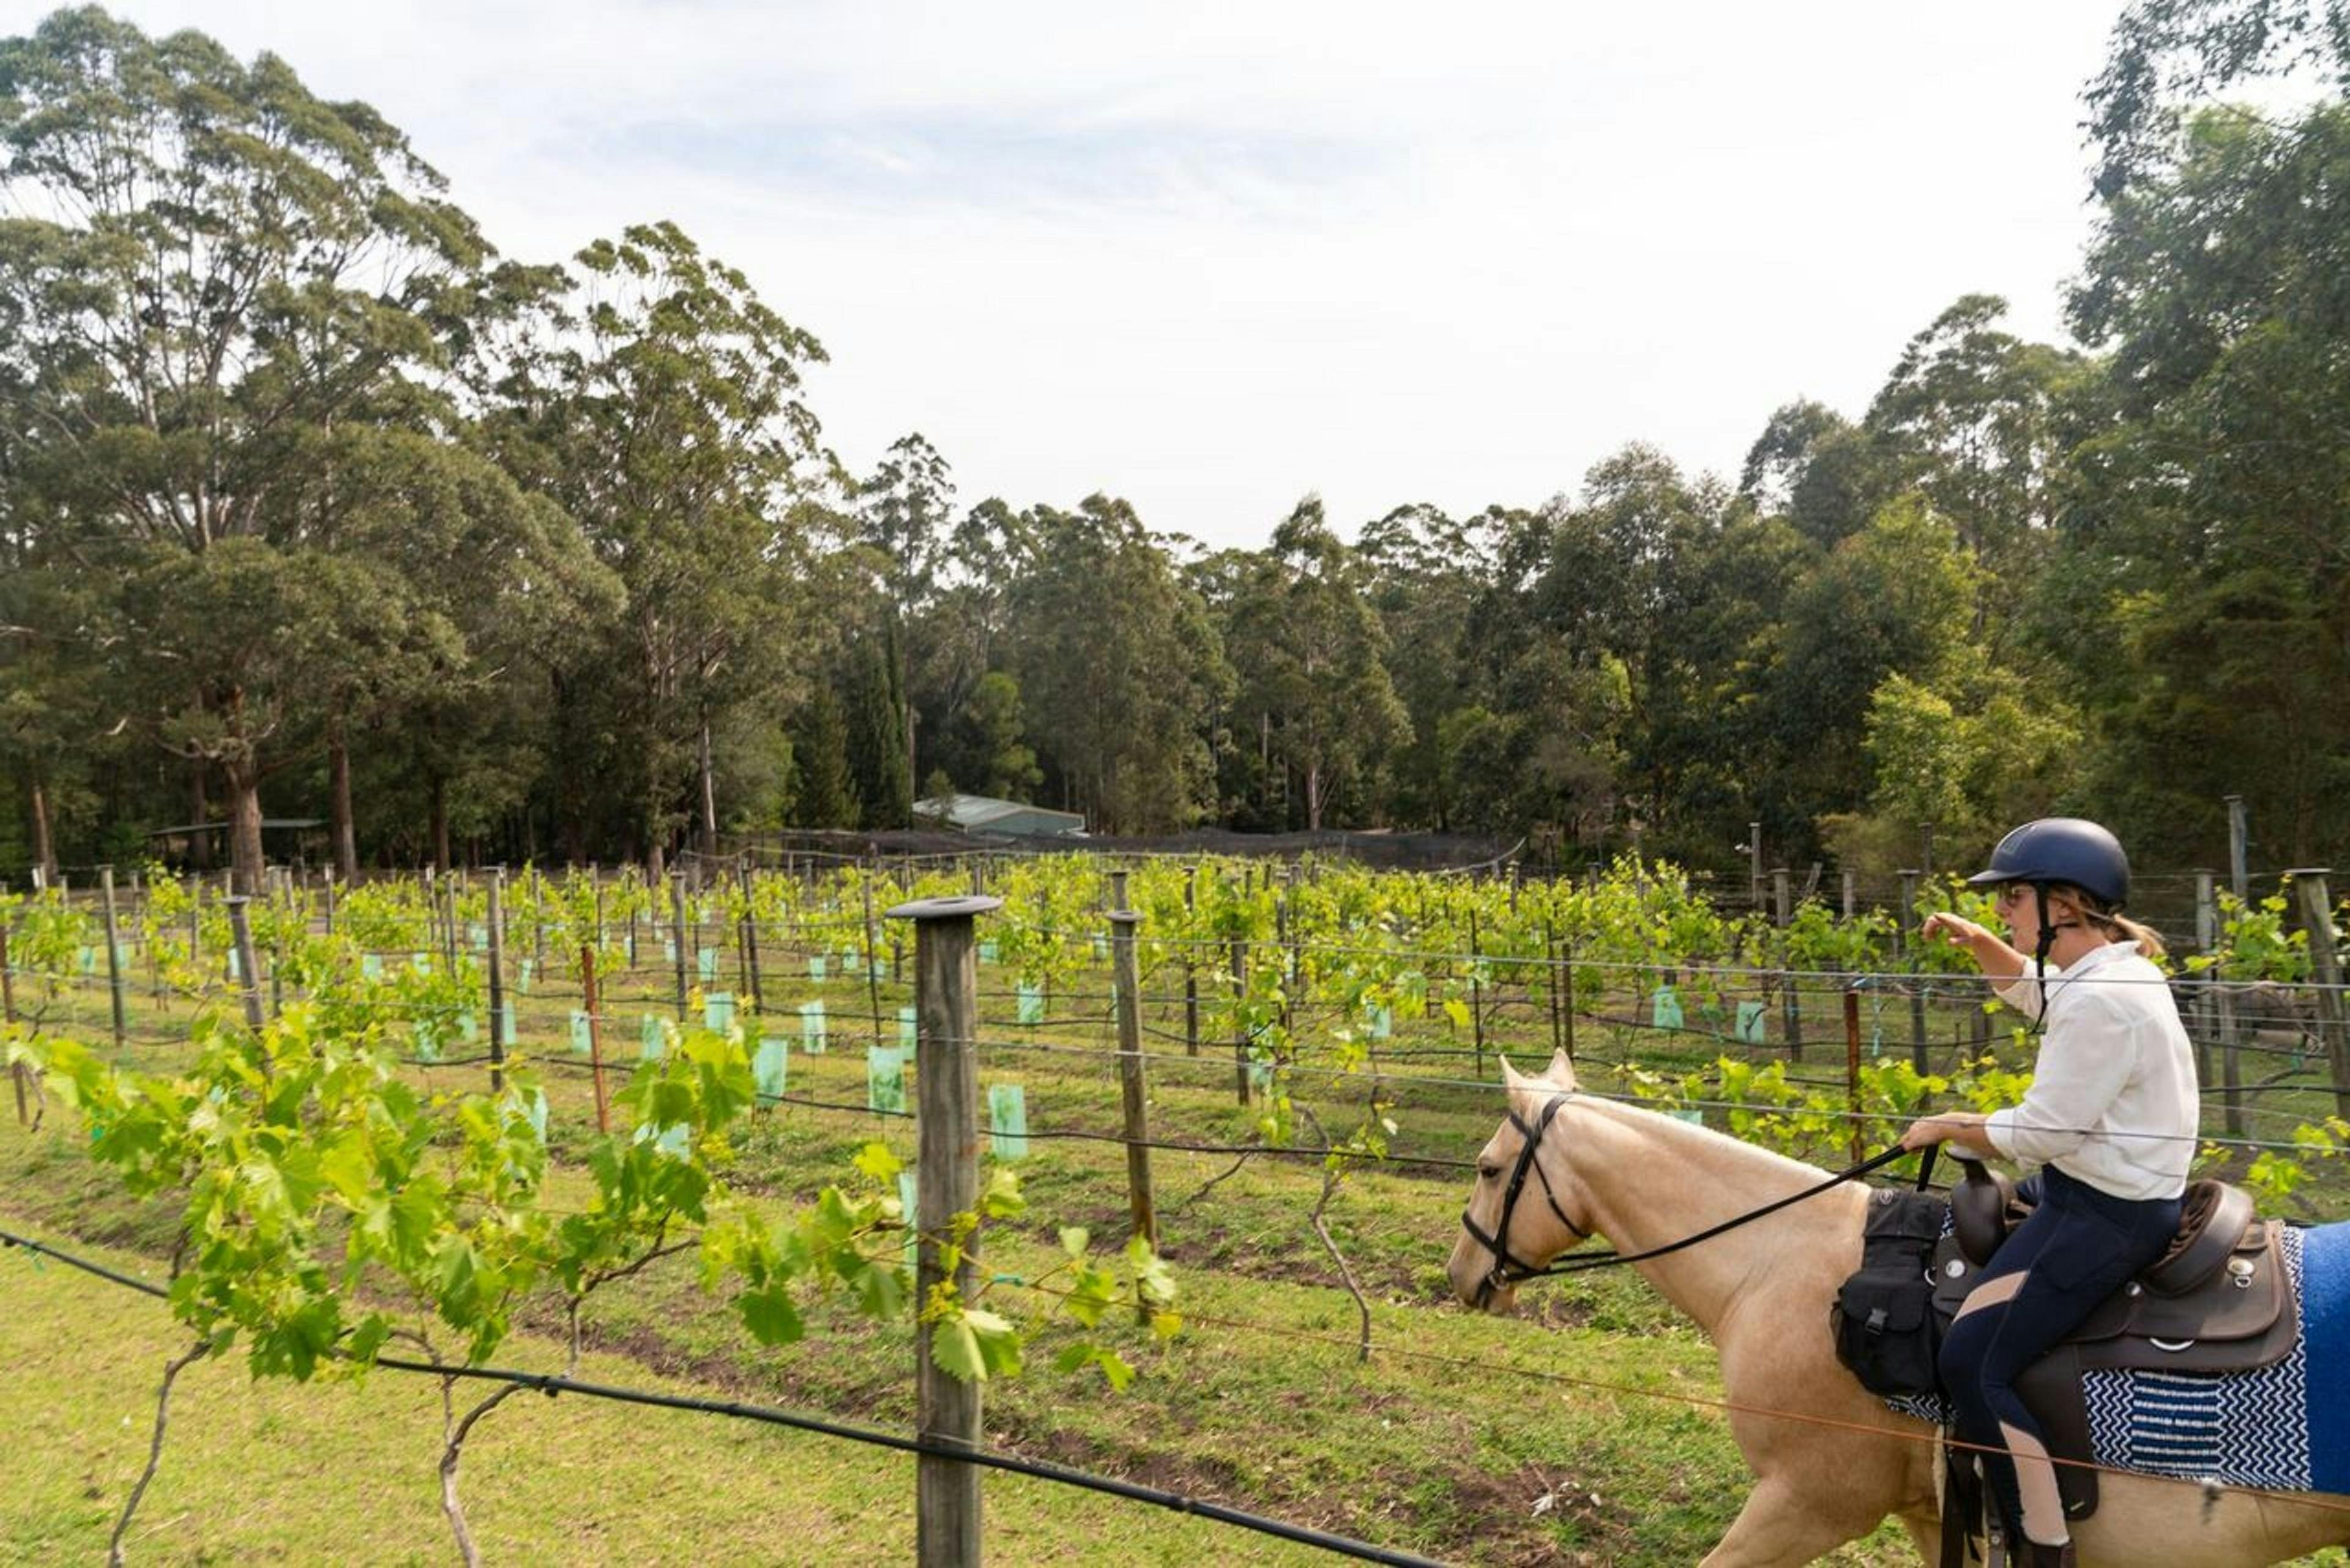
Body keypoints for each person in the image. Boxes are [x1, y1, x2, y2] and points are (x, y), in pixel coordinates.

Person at [1897, 818, 2199, 1568]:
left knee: (1971, 1359)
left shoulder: (2105, 1000)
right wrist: (1980, 944)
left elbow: (2044, 1132)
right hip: (2096, 1183)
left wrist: (1947, 1126)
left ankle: (2043, 1540)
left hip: (2106, 1211)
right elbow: (2044, 995)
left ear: (2063, 903)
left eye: (2011, 898)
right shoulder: (2110, 974)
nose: (2003, 909)